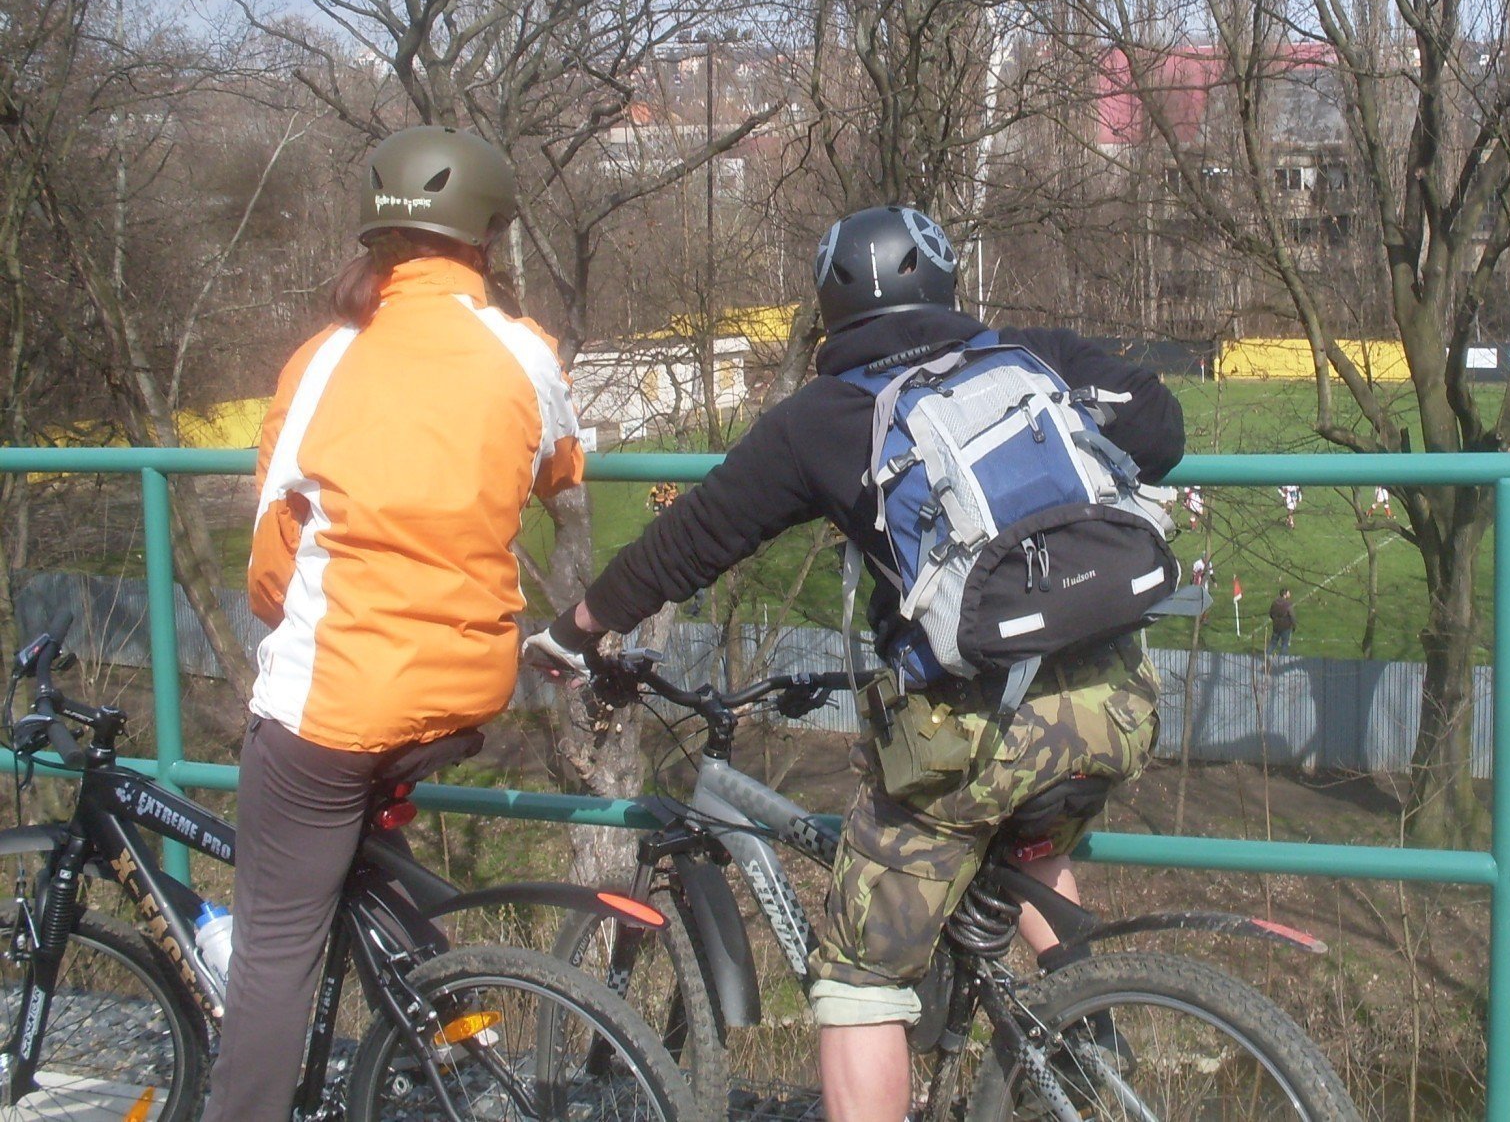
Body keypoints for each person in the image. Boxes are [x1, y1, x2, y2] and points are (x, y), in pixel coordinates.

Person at [524, 205, 1182, 1122]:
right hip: (1116, 695)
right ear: (944, 285)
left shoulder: (823, 418)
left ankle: (1045, 1060)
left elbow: (693, 538)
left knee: (862, 978)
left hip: (980, 727)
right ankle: (1095, 1060)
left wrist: (578, 628)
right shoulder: (1030, 358)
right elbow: (1160, 427)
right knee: (1031, 841)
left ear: (831, 310)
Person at [207, 129, 584, 1122]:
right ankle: (464, 1049)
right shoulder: (526, 351)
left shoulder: (325, 362)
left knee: (275, 940)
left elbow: (270, 560)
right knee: (365, 846)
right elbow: (560, 473)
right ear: (489, 238)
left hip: (337, 702)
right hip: (468, 686)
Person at [1267, 587, 1296, 658]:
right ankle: (1283, 659)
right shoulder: (1287, 604)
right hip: (1285, 627)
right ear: (1285, 595)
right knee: (1284, 644)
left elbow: (1271, 613)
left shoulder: (1274, 602)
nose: (1290, 594)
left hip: (1276, 626)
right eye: (1288, 593)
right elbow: (1292, 616)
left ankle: (1267, 655)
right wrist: (1294, 625)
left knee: (1273, 643)